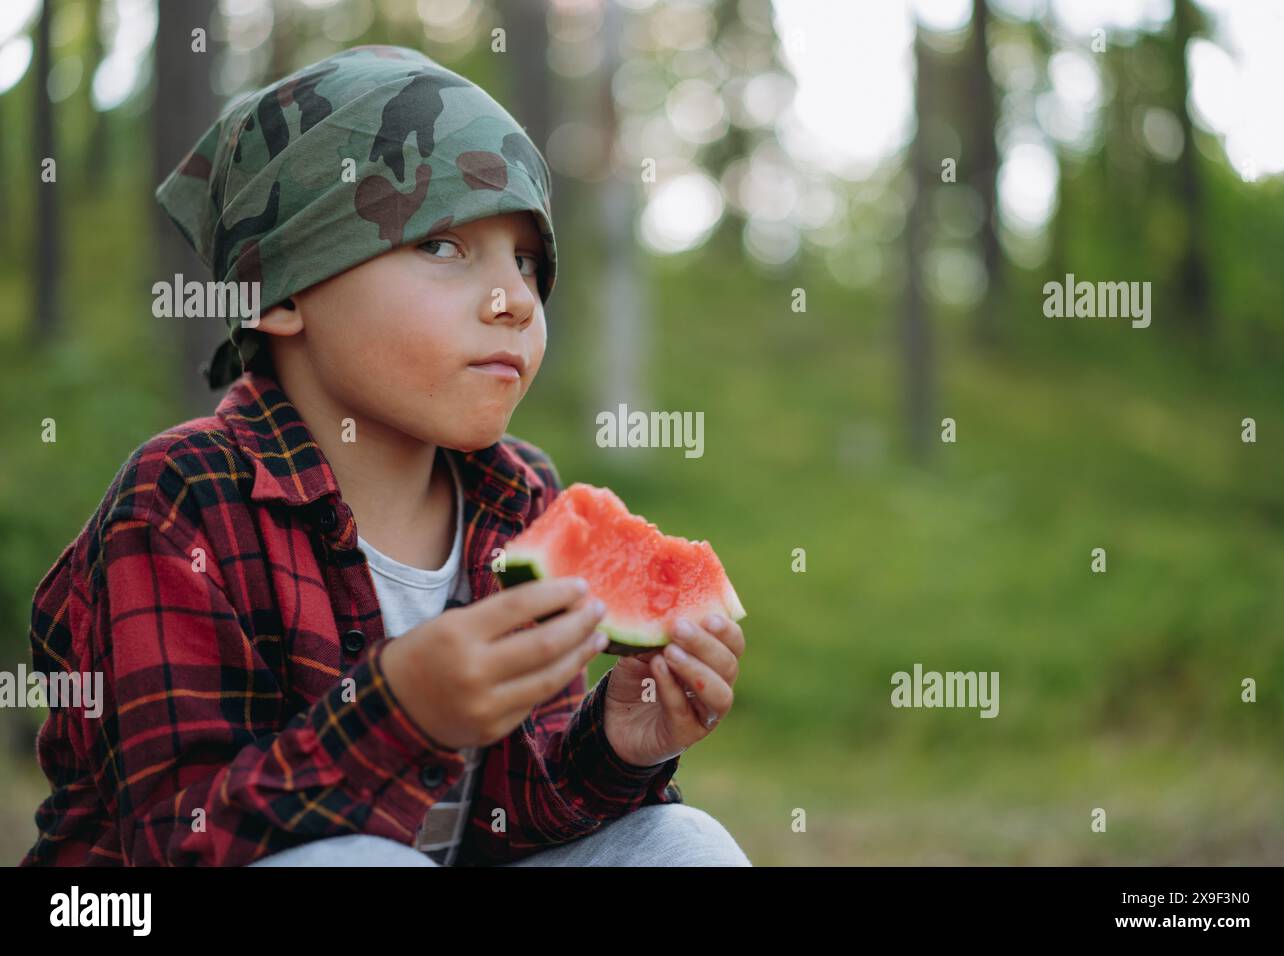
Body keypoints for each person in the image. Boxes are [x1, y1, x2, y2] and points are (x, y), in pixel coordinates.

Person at [19, 45, 749, 867]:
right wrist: (399, 713)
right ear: (284, 292)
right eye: (443, 247)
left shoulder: (522, 500)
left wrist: (615, 743)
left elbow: (503, 825)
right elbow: (180, 836)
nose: (515, 300)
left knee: (680, 844)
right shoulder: (180, 500)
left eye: (528, 260)